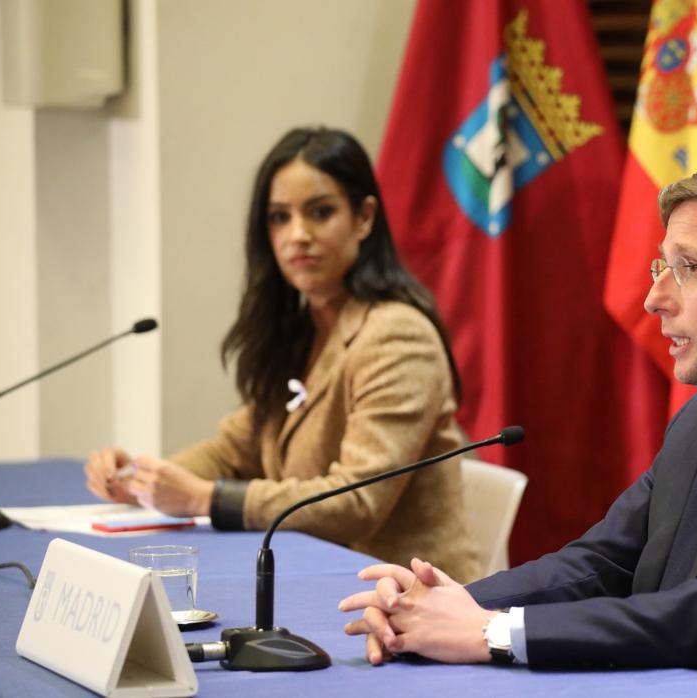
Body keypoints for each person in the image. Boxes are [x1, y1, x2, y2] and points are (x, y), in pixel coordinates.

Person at [338, 161, 697, 695]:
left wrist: (493, 632)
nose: (654, 298)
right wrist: (450, 606)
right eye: (662, 265)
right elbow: (602, 563)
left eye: (690, 268)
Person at [84, 127, 481, 582]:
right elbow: (234, 449)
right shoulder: (299, 332)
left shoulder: (398, 336)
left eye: (320, 212)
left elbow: (356, 502)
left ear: (364, 218)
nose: (298, 235)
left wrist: (203, 499)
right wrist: (142, 479)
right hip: (319, 578)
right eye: (279, 217)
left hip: (411, 598)